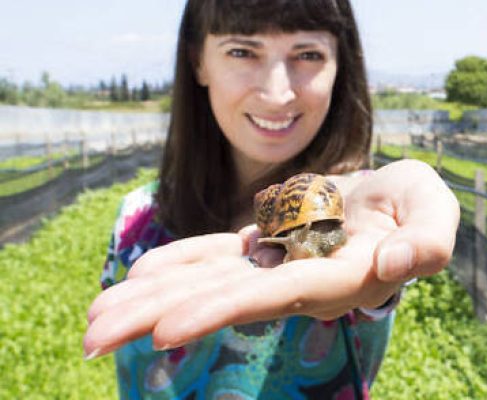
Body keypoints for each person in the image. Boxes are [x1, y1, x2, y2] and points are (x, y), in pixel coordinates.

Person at [82, 0, 459, 398]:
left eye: (308, 54)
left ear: (339, 66)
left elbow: (371, 273)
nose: (277, 93)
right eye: (242, 51)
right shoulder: (136, 218)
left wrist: (384, 267)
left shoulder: (364, 208)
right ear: (198, 62)